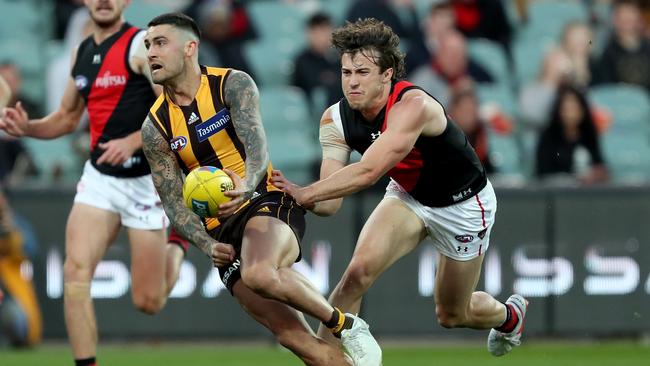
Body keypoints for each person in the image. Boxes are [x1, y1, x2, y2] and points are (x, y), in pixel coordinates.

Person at [271, 18, 528, 357]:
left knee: (452, 314)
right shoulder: (335, 120)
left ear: (387, 74)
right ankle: (328, 362)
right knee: (356, 275)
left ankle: (509, 317)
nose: (352, 82)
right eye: (346, 73)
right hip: (409, 196)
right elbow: (329, 202)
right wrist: (283, 196)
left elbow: (367, 171)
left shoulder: (414, 106)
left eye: (362, 72)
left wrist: (306, 193)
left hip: (463, 205)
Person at [140, 13, 381, 366]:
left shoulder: (232, 84)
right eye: (147, 45)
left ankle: (345, 324)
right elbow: (174, 205)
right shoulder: (154, 127)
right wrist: (209, 245)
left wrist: (247, 184)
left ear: (190, 47)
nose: (151, 53)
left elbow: (257, 148)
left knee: (259, 272)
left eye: (160, 43)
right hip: (220, 232)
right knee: (292, 337)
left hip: (262, 199)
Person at [0, 1, 190, 365]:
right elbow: (67, 118)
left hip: (145, 181)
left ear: (126, 2)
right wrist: (26, 127)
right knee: (75, 271)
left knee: (149, 302)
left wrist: (134, 140)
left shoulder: (140, 46)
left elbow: (175, 108)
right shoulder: (81, 53)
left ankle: (178, 244)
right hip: (101, 178)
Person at [535, 83, 609, 185]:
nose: (570, 114)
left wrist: (596, 174)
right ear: (559, 111)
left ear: (582, 111)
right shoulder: (548, 137)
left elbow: (600, 165)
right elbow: (543, 174)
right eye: (566, 109)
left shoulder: (589, 136)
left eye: (574, 109)